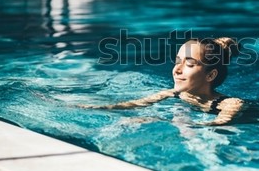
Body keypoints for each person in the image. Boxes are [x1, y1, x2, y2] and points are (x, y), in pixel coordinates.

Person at [82, 37, 245, 126]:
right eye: (177, 61)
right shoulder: (170, 94)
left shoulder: (230, 103)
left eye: (189, 63)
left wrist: (164, 122)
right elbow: (130, 105)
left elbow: (219, 123)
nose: (177, 69)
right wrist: (95, 108)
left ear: (210, 75)